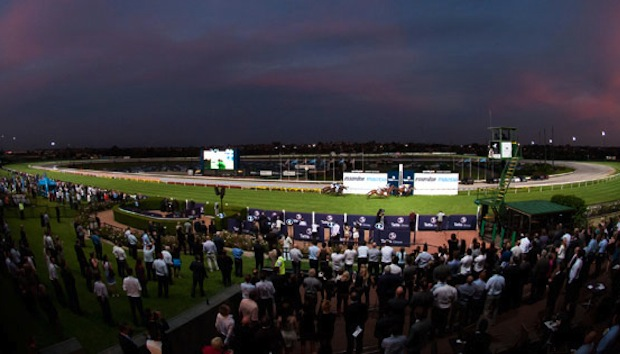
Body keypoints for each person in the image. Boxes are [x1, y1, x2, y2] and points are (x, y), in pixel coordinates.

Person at [344, 289, 368, 354]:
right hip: (359, 327)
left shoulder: (348, 308)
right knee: (359, 341)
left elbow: (346, 319)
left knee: (350, 343)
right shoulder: (363, 306)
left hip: (351, 328)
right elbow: (365, 317)